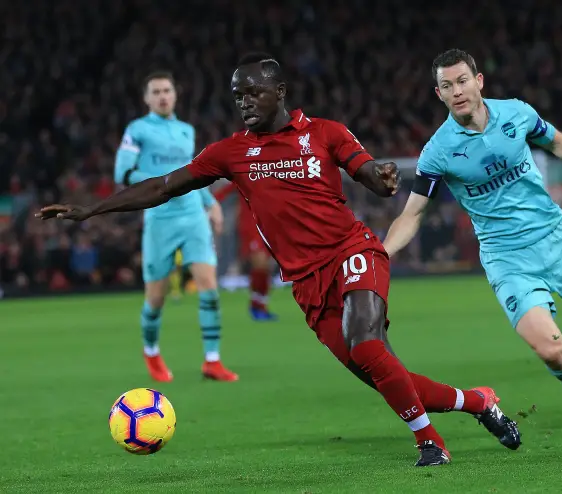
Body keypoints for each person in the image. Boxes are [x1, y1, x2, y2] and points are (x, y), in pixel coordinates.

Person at [37, 53, 521, 467]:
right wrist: (91, 209)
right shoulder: (231, 152)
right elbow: (166, 186)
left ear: (280, 92)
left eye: (252, 92)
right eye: (237, 95)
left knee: (369, 347)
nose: (244, 101)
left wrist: (382, 175)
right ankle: (479, 401)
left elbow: (366, 169)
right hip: (306, 281)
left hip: (353, 251)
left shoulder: (325, 133)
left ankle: (430, 443)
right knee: (379, 372)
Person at [383, 48, 562, 432]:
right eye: (447, 85)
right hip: (507, 259)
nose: (457, 90)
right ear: (438, 94)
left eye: (462, 81)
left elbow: (557, 141)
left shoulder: (516, 113)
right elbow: (412, 213)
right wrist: (382, 252)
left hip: (558, 239)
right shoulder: (438, 151)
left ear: (478, 81)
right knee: (551, 350)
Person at [113, 71, 237, 382]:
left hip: (193, 215)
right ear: (146, 99)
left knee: (209, 288)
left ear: (175, 94)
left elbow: (194, 175)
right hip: (159, 218)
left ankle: (212, 360)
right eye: (156, 92)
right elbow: (122, 172)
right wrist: (162, 182)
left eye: (167, 90)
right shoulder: (137, 130)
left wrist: (211, 203)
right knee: (156, 298)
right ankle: (151, 351)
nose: (163, 96)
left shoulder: (186, 130)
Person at [214, 183, 278, 321]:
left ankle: (260, 304)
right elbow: (224, 191)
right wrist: (209, 204)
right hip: (251, 226)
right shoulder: (246, 175)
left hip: (269, 226)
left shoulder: (273, 175)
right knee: (260, 263)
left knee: (267, 266)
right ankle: (257, 305)